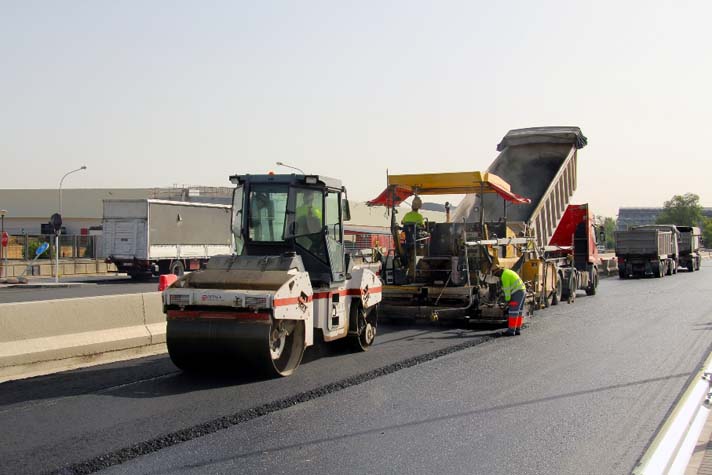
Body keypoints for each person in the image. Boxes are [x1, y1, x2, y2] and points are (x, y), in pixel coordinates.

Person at [493, 266, 526, 336]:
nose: (496, 276)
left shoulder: (504, 276)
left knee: (513, 311)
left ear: (498, 271)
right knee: (518, 312)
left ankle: (511, 331)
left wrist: (507, 300)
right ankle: (517, 329)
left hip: (517, 292)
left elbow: (507, 290)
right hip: (522, 290)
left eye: (495, 274)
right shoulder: (508, 272)